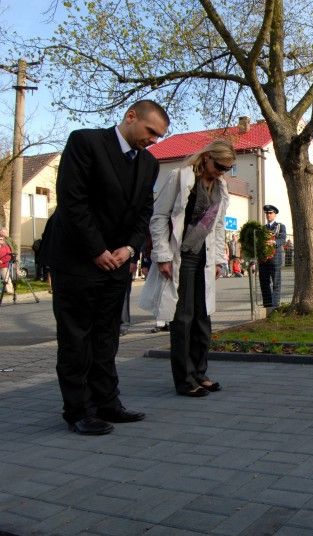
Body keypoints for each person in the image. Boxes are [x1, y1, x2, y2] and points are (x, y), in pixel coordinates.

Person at [40, 99, 169, 435]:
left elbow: (144, 212)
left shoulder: (150, 164)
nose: (153, 140)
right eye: (150, 131)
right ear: (131, 117)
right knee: (76, 338)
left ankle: (108, 403)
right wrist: (97, 250)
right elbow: (73, 201)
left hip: (118, 263)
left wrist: (129, 248)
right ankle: (79, 410)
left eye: (159, 136)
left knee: (107, 336)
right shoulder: (86, 142)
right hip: (77, 259)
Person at [145, 139, 232, 397]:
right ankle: (184, 379)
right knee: (182, 318)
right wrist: (162, 255)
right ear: (206, 157)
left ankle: (200, 372)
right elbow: (159, 216)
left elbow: (217, 226)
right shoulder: (180, 177)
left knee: (203, 317)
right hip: (181, 255)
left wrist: (218, 259)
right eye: (219, 165)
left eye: (227, 168)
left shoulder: (220, 187)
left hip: (204, 257)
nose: (221, 171)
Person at [258, 204, 287, 311]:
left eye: (270, 213)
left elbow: (283, 239)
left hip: (275, 259)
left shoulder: (280, 226)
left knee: (276, 283)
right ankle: (267, 305)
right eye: (267, 213)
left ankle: (275, 306)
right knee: (264, 282)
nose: (268, 215)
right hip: (263, 260)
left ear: (275, 214)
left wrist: (274, 242)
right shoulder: (262, 228)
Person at [0, 228, 14, 296]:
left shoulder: (6, 247)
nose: (0, 240)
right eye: (0, 239)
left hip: (4, 265)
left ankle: (9, 291)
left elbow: (8, 256)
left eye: (1, 239)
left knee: (6, 278)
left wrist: (2, 261)